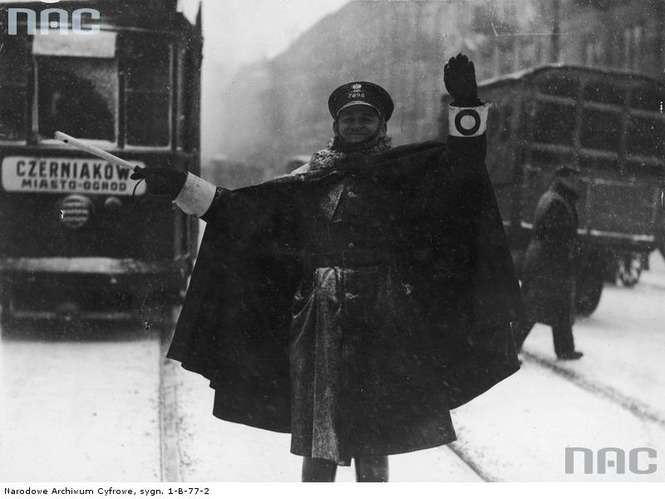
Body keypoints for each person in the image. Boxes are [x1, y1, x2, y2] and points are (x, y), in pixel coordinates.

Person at [132, 54, 523, 481]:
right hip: (318, 318)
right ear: (336, 126)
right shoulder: (309, 179)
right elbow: (243, 212)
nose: (356, 124)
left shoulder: (405, 174)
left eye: (366, 118)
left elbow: (465, 168)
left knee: (376, 428)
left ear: (382, 126)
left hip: (384, 315)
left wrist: (465, 104)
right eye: (348, 118)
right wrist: (180, 184)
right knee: (318, 424)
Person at [516, 166, 584, 360]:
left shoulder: (555, 197)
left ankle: (565, 349)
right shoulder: (557, 202)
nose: (577, 183)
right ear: (564, 179)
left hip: (547, 259)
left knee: (560, 306)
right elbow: (554, 234)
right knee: (533, 306)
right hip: (548, 262)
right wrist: (566, 252)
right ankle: (509, 345)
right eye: (574, 178)